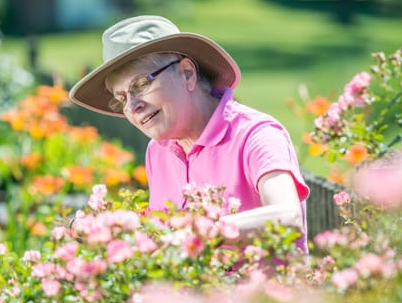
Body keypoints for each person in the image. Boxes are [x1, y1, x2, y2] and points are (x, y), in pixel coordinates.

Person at [69, 15, 310, 252]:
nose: (132, 107)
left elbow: (288, 217)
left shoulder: (255, 134)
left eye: (141, 85)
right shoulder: (159, 150)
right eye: (122, 98)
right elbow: (165, 238)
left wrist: (195, 234)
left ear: (187, 73)